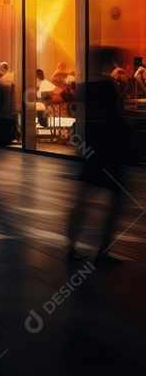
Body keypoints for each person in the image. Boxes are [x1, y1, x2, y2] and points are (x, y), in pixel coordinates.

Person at [66, 46, 134, 266]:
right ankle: (102, 251)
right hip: (107, 148)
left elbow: (80, 117)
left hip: (90, 147)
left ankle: (71, 247)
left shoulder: (84, 87)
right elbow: (115, 117)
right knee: (116, 199)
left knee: (83, 199)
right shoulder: (107, 86)